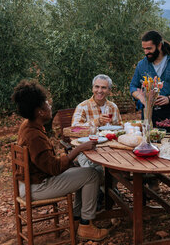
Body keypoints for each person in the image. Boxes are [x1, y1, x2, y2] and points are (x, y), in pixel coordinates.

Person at [12, 79, 108, 241]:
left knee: (84, 172)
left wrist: (73, 159)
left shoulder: (28, 126)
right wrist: (78, 150)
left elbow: (48, 164)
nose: (50, 105)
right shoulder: (34, 136)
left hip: (32, 182)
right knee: (92, 174)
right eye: (46, 104)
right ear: (40, 112)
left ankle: (77, 220)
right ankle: (85, 226)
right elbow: (54, 168)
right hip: (37, 187)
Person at [130, 30, 170, 129]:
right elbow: (133, 86)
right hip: (149, 115)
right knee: (149, 142)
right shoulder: (141, 64)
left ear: (159, 45)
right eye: (144, 49)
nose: (146, 52)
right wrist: (141, 98)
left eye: (149, 48)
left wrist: (169, 99)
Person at [71, 74, 122, 182]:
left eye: (103, 87)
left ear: (109, 90)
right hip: (87, 149)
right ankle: (99, 193)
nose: (100, 90)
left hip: (110, 148)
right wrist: (96, 122)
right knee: (95, 171)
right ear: (92, 88)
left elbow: (120, 128)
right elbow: (74, 130)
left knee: (120, 166)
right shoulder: (83, 107)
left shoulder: (113, 107)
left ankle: (111, 191)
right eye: (97, 87)